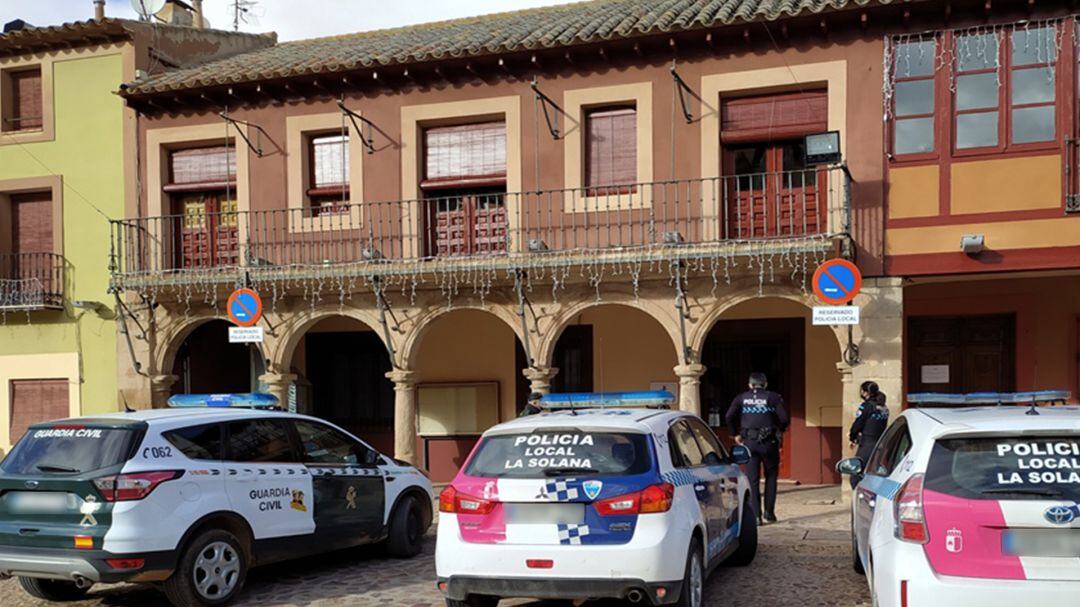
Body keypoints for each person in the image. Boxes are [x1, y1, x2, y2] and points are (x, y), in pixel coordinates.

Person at [725, 372, 789, 525]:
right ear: (765, 384)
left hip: (749, 442)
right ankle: (769, 513)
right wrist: (779, 429)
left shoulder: (741, 397)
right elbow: (784, 418)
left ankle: (756, 516)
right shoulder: (772, 397)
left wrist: (735, 434)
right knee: (771, 476)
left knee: (752, 479)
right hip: (769, 442)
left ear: (750, 385)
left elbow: (728, 416)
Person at [848, 381, 889, 488]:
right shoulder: (883, 407)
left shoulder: (866, 406)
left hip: (868, 444)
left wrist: (852, 437)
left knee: (856, 475)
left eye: (862, 390)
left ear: (866, 392)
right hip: (881, 444)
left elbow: (858, 424)